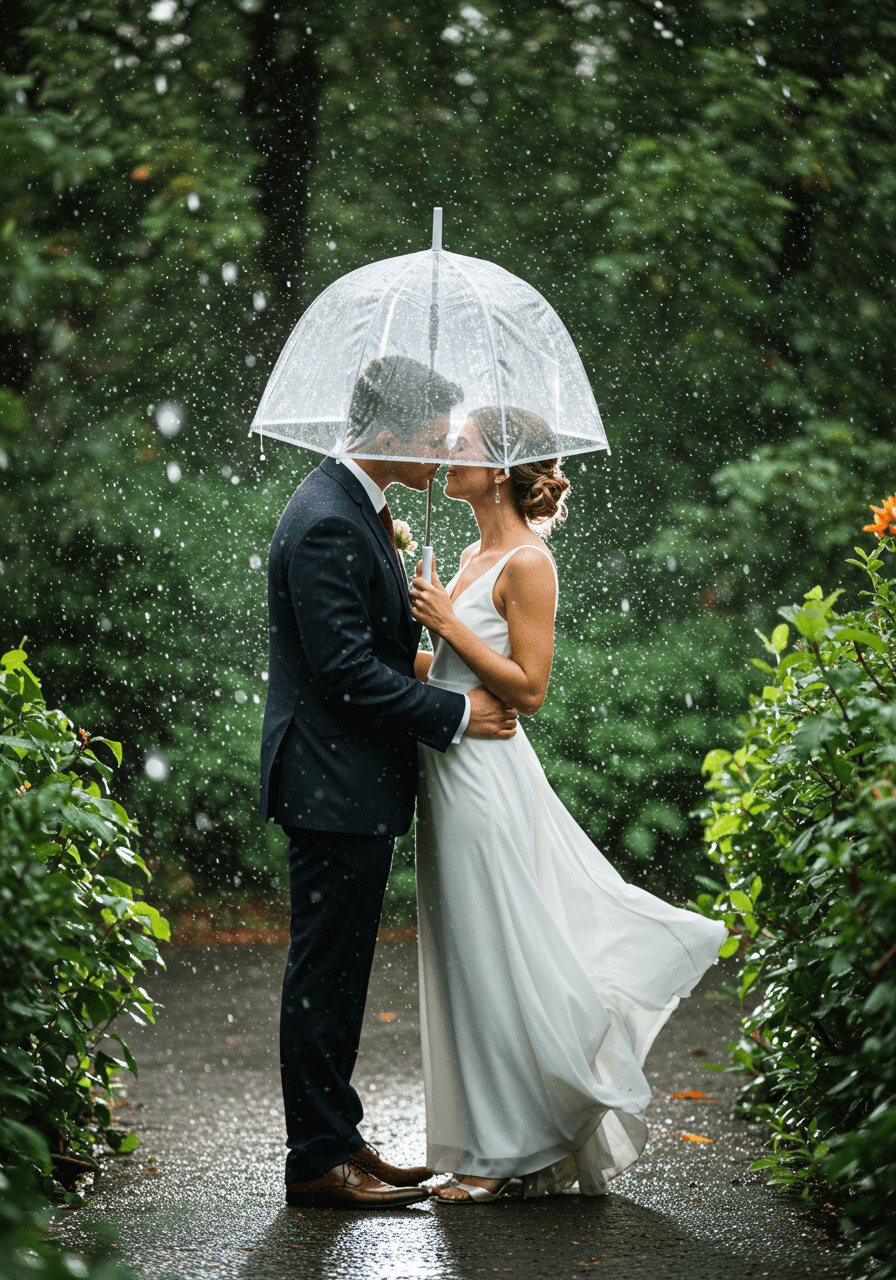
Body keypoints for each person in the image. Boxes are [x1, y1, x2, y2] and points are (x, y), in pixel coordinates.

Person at [409, 404, 728, 1204]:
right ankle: (494, 1132)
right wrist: (400, 642)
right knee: (465, 955)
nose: (450, 455)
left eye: (467, 447)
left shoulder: (526, 563)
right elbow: (451, 676)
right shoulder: (474, 553)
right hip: (446, 773)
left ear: (505, 469)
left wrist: (450, 622)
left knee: (491, 950)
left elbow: (530, 687)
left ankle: (501, 1150)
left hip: (486, 779)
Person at [259, 358, 519, 1210]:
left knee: (337, 970)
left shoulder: (352, 506)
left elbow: (366, 652)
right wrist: (454, 715)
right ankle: (317, 1164)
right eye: (436, 438)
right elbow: (345, 676)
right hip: (331, 780)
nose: (445, 454)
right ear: (391, 435)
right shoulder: (330, 519)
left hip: (343, 779)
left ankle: (338, 1139)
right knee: (325, 972)